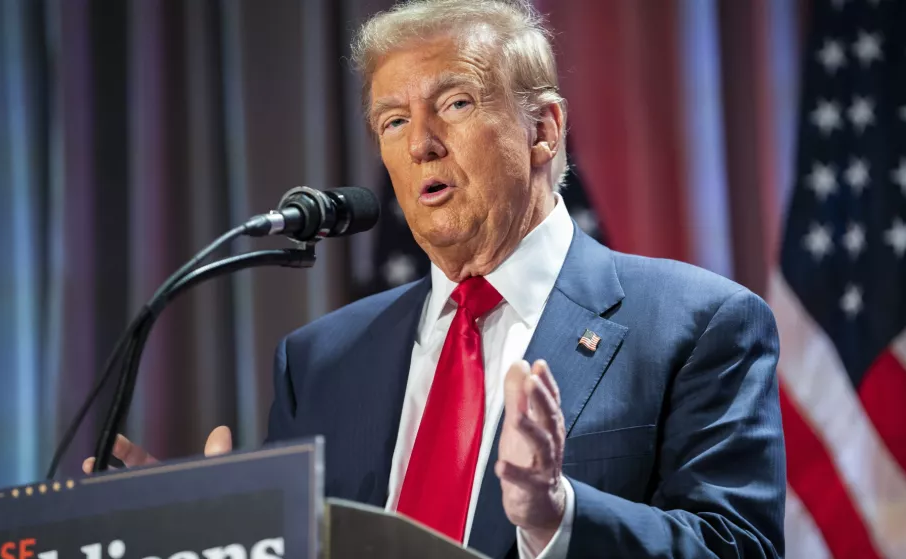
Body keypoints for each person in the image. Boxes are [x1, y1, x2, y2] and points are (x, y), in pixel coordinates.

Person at [85, 1, 786, 557]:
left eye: (455, 104)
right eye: (393, 120)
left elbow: (739, 546)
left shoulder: (698, 324)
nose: (420, 143)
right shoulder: (319, 361)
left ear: (543, 129)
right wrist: (208, 531)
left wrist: (557, 514)